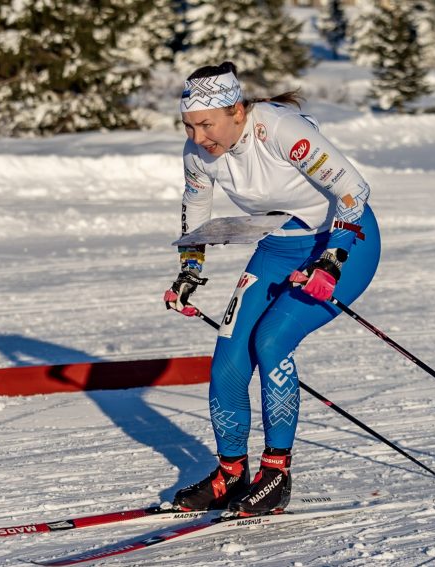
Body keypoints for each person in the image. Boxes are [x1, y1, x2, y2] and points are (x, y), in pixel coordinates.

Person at [164, 62, 381, 516]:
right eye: (189, 125)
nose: (198, 136)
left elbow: (353, 191)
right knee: (228, 354)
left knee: (271, 340)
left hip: (346, 239)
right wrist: (189, 270)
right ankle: (230, 473)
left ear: (237, 112)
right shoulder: (197, 152)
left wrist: (332, 258)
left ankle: (276, 474)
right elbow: (195, 207)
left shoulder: (280, 129)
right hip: (279, 245)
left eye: (206, 124)